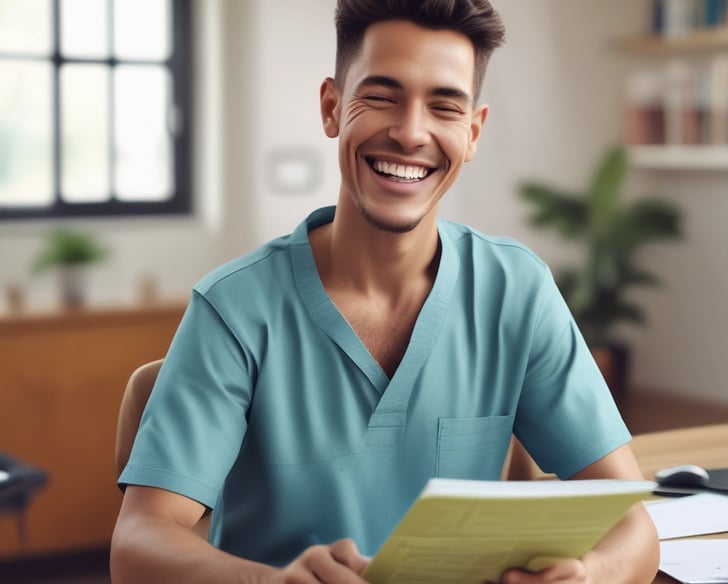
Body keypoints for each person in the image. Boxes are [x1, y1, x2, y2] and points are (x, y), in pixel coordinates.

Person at [111, 1, 660, 582]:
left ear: (472, 133)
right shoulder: (235, 309)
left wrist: (593, 575)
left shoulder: (516, 292)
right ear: (332, 108)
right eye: (381, 97)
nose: (410, 132)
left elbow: (632, 523)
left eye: (444, 106)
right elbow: (140, 540)